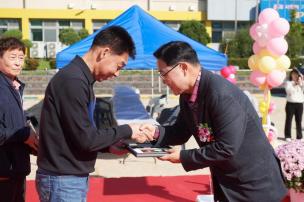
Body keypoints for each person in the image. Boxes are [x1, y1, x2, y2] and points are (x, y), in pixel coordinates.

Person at [142, 41, 287, 201]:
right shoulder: (186, 95)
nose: (163, 81)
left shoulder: (220, 94)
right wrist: (155, 133)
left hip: (255, 184)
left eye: (164, 74)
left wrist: (183, 156)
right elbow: (180, 132)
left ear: (183, 68)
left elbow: (227, 147)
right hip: (228, 182)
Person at [36, 26, 154, 202]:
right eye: (119, 65)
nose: (116, 73)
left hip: (68, 178)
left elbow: (79, 134)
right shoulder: (73, 81)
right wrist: (128, 130)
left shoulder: (81, 79)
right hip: (63, 180)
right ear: (105, 53)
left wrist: (109, 146)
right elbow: (86, 139)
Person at [0, 37, 38, 202]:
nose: (18, 63)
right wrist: (25, 136)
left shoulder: (15, 87)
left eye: (21, 58)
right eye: (12, 57)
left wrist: (33, 144)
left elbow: (14, 124)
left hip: (17, 169)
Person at [284, 68, 304, 141]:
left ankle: (299, 137)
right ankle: (287, 136)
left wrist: (301, 81)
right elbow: (289, 91)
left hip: (299, 104)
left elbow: (303, 89)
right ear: (291, 75)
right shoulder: (288, 83)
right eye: (293, 74)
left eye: (296, 74)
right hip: (290, 104)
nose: (295, 75)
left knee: (299, 120)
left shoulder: (301, 82)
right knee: (288, 120)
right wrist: (295, 84)